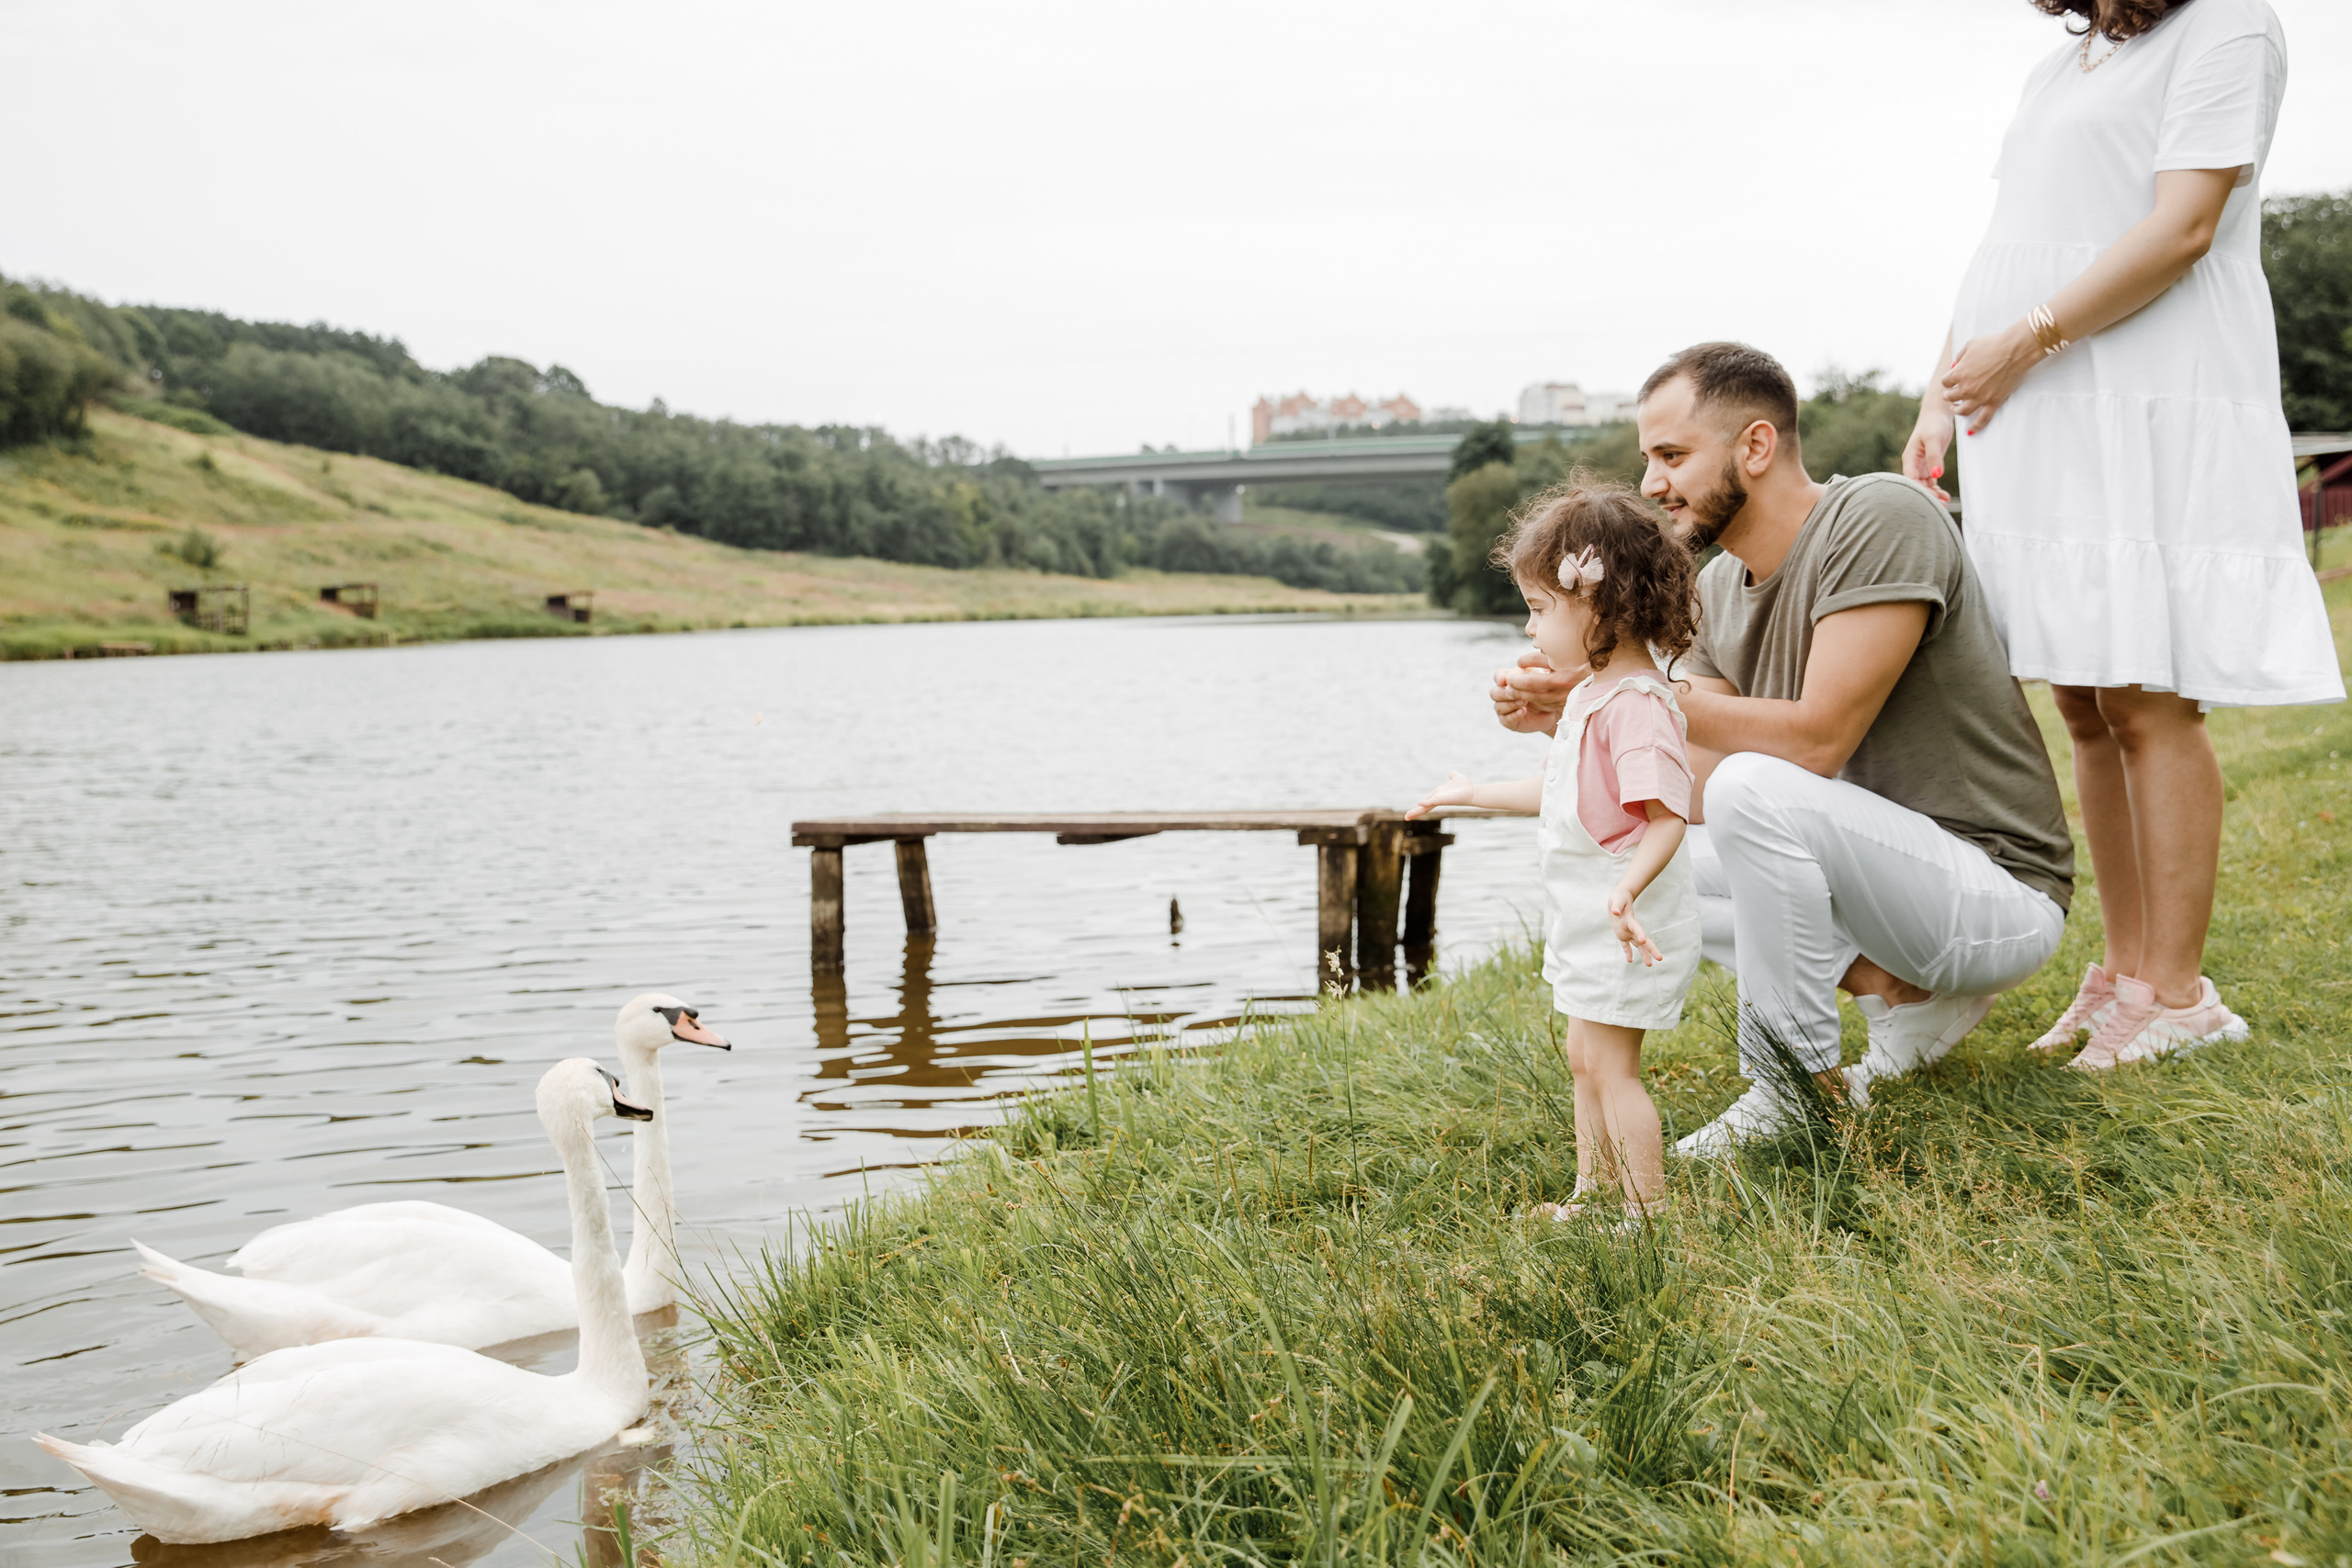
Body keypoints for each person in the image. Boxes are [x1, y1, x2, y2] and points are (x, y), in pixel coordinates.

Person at [1494, 343, 2077, 1155]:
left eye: (1672, 455)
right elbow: (1688, 784)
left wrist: (1640, 692)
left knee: (1756, 792)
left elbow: (1816, 737)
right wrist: (1577, 723)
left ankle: (1791, 1086)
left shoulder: (1879, 516)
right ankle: (1896, 994)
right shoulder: (1717, 591)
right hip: (1882, 893)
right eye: (1647, 459)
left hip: (1992, 893)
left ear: (1756, 446)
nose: (1653, 484)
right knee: (1623, 856)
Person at [1903, 0, 2341, 1069]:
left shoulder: (2227, 23)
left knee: (2147, 693)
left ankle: (2180, 993)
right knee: (2085, 699)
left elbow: (2184, 225)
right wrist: (1937, 394)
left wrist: (2027, 339)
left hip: (2140, 384)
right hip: (2038, 400)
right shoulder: (2070, 63)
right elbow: (2007, 242)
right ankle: (2125, 973)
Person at [1413, 479, 1700, 1223]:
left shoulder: (1636, 704)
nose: (1531, 628)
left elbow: (1669, 817)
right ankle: (1595, 1190)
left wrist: (1629, 889)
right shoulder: (1593, 692)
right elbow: (1561, 785)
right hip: (1591, 914)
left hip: (1622, 916)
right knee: (1584, 1058)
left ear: (1599, 606)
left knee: (1614, 1067)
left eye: (1541, 608)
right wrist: (1473, 792)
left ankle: (1646, 1212)